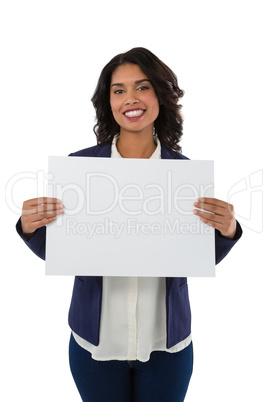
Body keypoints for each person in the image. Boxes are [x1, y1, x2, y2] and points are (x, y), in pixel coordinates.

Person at [16, 47, 242, 402]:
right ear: (108, 102)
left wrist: (227, 230)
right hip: (96, 344)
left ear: (160, 95)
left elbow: (195, 257)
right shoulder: (80, 169)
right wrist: (30, 227)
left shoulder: (185, 175)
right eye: (118, 90)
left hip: (167, 345)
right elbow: (66, 250)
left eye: (142, 87)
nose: (130, 99)